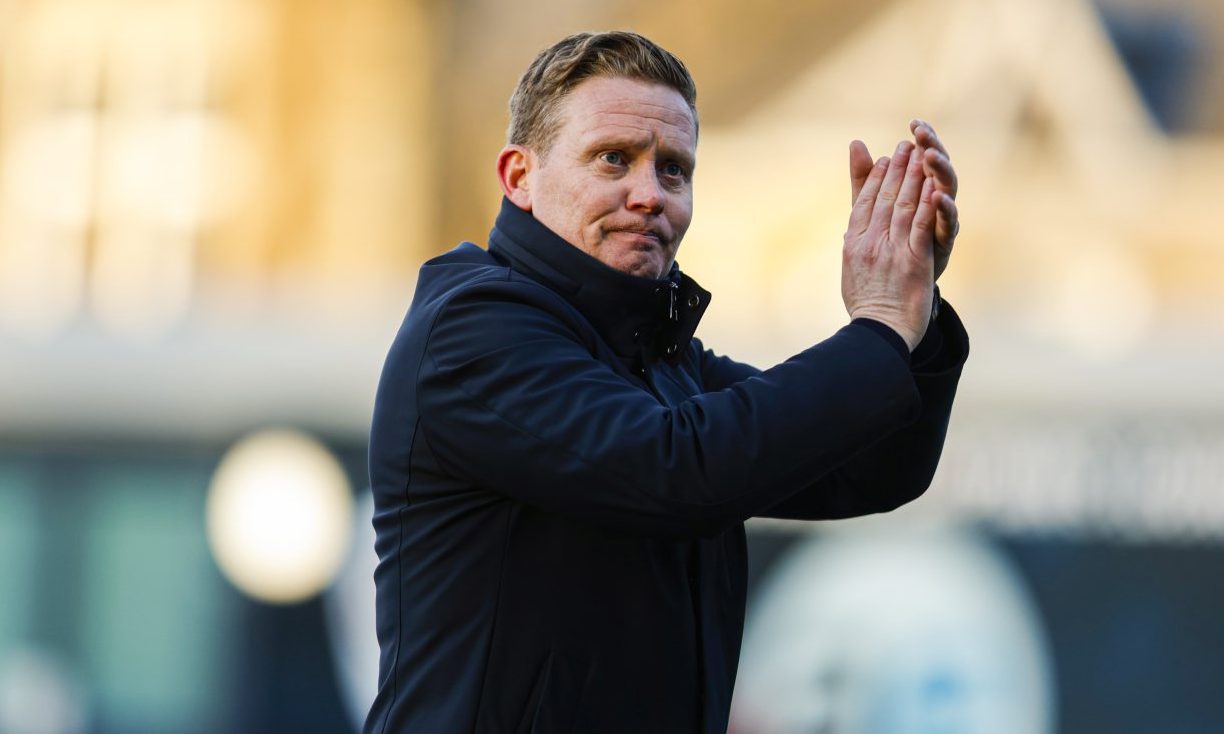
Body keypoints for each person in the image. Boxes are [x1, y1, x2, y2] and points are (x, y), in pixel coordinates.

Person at [365, 30, 967, 734]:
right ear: (518, 177)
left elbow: (868, 470)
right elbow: (679, 471)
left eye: (674, 170)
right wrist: (878, 329)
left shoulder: (660, 357)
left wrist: (912, 321)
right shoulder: (473, 329)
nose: (649, 194)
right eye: (613, 159)